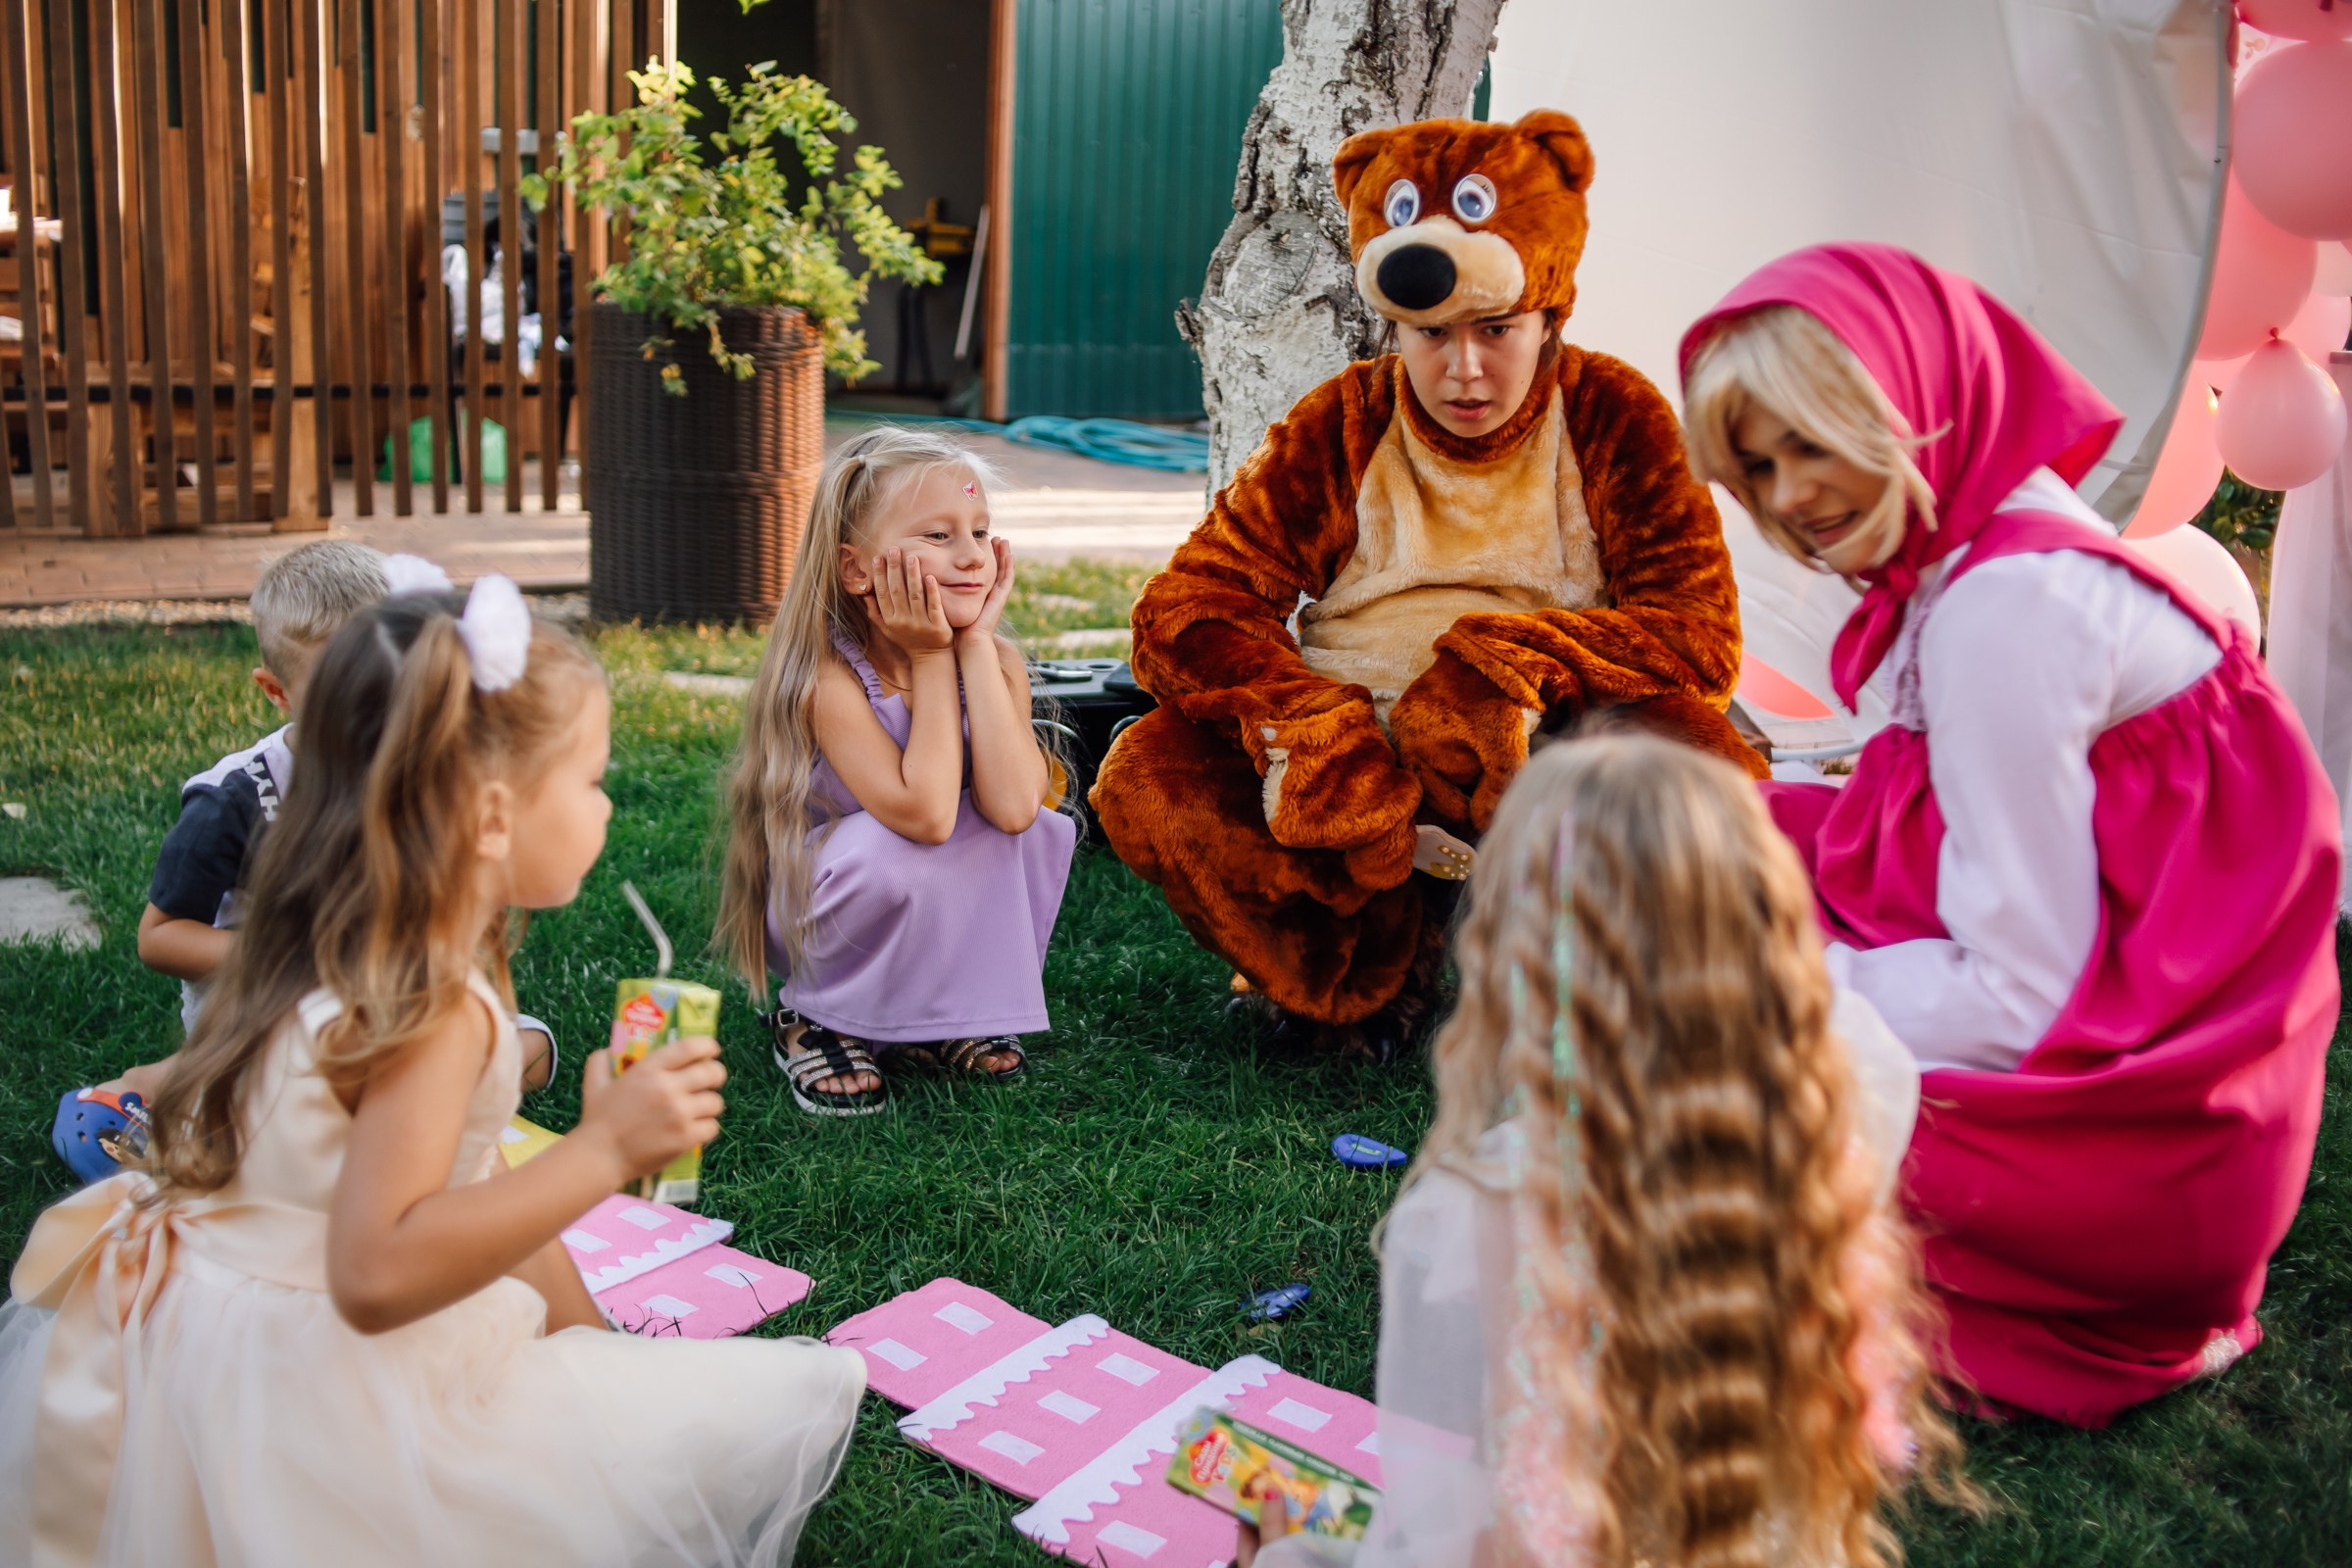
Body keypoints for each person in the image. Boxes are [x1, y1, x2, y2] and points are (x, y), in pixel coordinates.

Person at [0, 576, 865, 1566]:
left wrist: (594, 1347)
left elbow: (474, 1177)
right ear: (494, 818)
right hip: (319, 1388)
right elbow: (374, 1274)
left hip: (203, 1348)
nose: (607, 803)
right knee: (775, 1403)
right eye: (588, 779)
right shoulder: (432, 1009)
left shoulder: (350, 937)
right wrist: (598, 1150)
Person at [1678, 242, 2341, 1427]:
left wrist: (1776, 985)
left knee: (1693, 1075)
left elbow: (2021, 989)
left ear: (1912, 401)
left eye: (1810, 444)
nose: (1785, 499)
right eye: (1755, 469)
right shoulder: (1994, 549)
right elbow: (1942, 827)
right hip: (2193, 1090)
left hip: (2147, 1143)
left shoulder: (2005, 608)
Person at [1092, 111, 1760, 1058]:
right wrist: (1310, 724)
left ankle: (1600, 988)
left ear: (1549, 310)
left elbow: (1698, 634)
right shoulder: (1345, 419)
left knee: (1707, 760)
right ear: (1396, 320)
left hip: (1541, 751)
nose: (1466, 368)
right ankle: (1349, 981)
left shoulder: (1614, 412)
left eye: (1497, 329)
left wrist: (1504, 667)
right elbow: (1189, 607)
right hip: (1357, 766)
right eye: (1431, 333)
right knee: (1149, 772)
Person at [1240, 735, 1965, 1568]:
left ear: (1516, 954)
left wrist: (1290, 1557)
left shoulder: (1477, 1208)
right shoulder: (1846, 1088)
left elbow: (1470, 1534)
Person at [50, 542, 556, 1185]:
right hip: (264, 1012)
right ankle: (144, 1092)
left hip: (380, 1000)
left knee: (519, 1047)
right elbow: (160, 938)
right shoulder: (233, 799)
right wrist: (304, 965)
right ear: (276, 692)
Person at [716, 426, 1075, 1118]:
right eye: (937, 537)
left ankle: (937, 1014)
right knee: (891, 846)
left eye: (979, 531)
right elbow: (926, 813)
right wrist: (933, 658)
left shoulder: (994, 663)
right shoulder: (828, 677)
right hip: (830, 905)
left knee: (1034, 830)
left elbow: (1012, 809)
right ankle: (817, 1017)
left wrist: (972, 647)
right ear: (856, 569)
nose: (971, 557)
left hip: (926, 881)